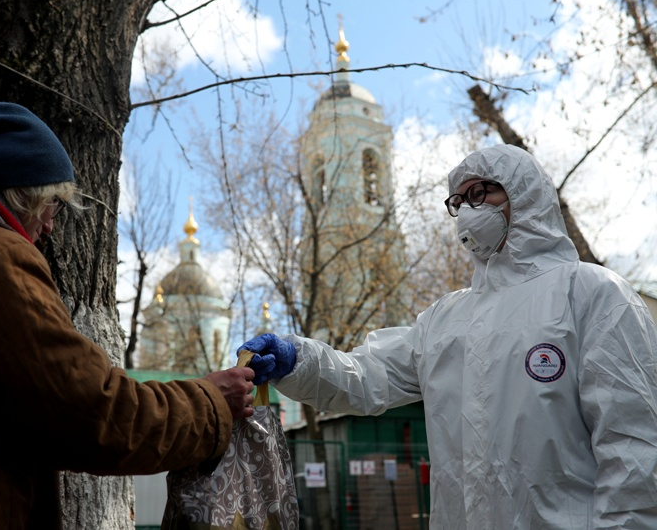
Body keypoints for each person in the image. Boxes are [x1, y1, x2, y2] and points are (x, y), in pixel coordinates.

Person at [0, 102, 255, 529]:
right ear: (20, 193)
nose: (49, 226)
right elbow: (94, 413)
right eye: (51, 205)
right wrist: (212, 404)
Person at [240, 144, 657, 529]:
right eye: (459, 201)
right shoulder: (446, 318)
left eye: (481, 193)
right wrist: (299, 359)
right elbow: (366, 377)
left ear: (525, 194)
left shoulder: (592, 294)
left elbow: (634, 451)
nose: (468, 210)